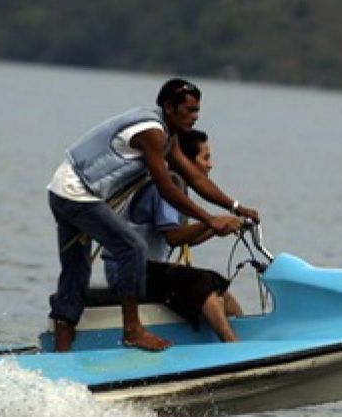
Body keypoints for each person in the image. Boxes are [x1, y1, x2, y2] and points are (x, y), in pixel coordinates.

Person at [46, 79, 258, 352]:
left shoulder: (168, 136)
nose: (195, 117)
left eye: (197, 111)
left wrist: (235, 206)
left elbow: (193, 176)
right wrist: (209, 220)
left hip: (64, 190)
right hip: (76, 194)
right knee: (132, 248)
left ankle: (61, 352)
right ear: (169, 107)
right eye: (190, 110)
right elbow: (166, 186)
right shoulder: (152, 133)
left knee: (76, 270)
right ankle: (133, 331)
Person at [104, 129, 244, 343]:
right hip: (129, 270)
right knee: (205, 281)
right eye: (205, 158)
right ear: (186, 161)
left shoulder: (175, 186)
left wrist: (217, 228)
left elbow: (186, 239)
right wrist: (213, 221)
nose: (210, 165)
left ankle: (243, 337)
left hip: (148, 268)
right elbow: (173, 237)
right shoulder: (166, 185)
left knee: (222, 292)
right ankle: (232, 345)